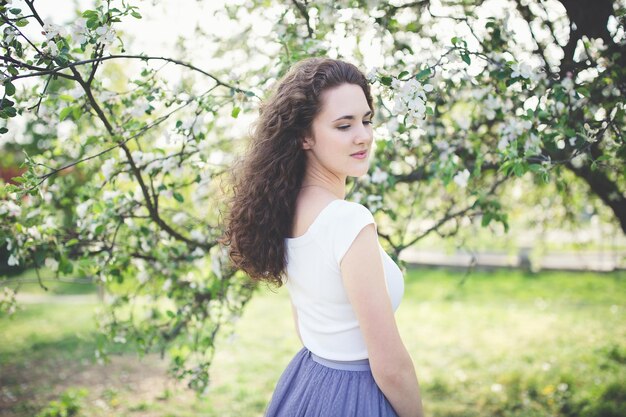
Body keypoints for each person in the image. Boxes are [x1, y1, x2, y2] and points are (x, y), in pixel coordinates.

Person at [221, 57, 424, 417]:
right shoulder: (347, 221)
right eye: (343, 125)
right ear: (304, 136)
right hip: (359, 394)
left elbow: (306, 324)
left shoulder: (286, 210)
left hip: (310, 381)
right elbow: (391, 367)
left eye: (366, 120)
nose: (363, 135)